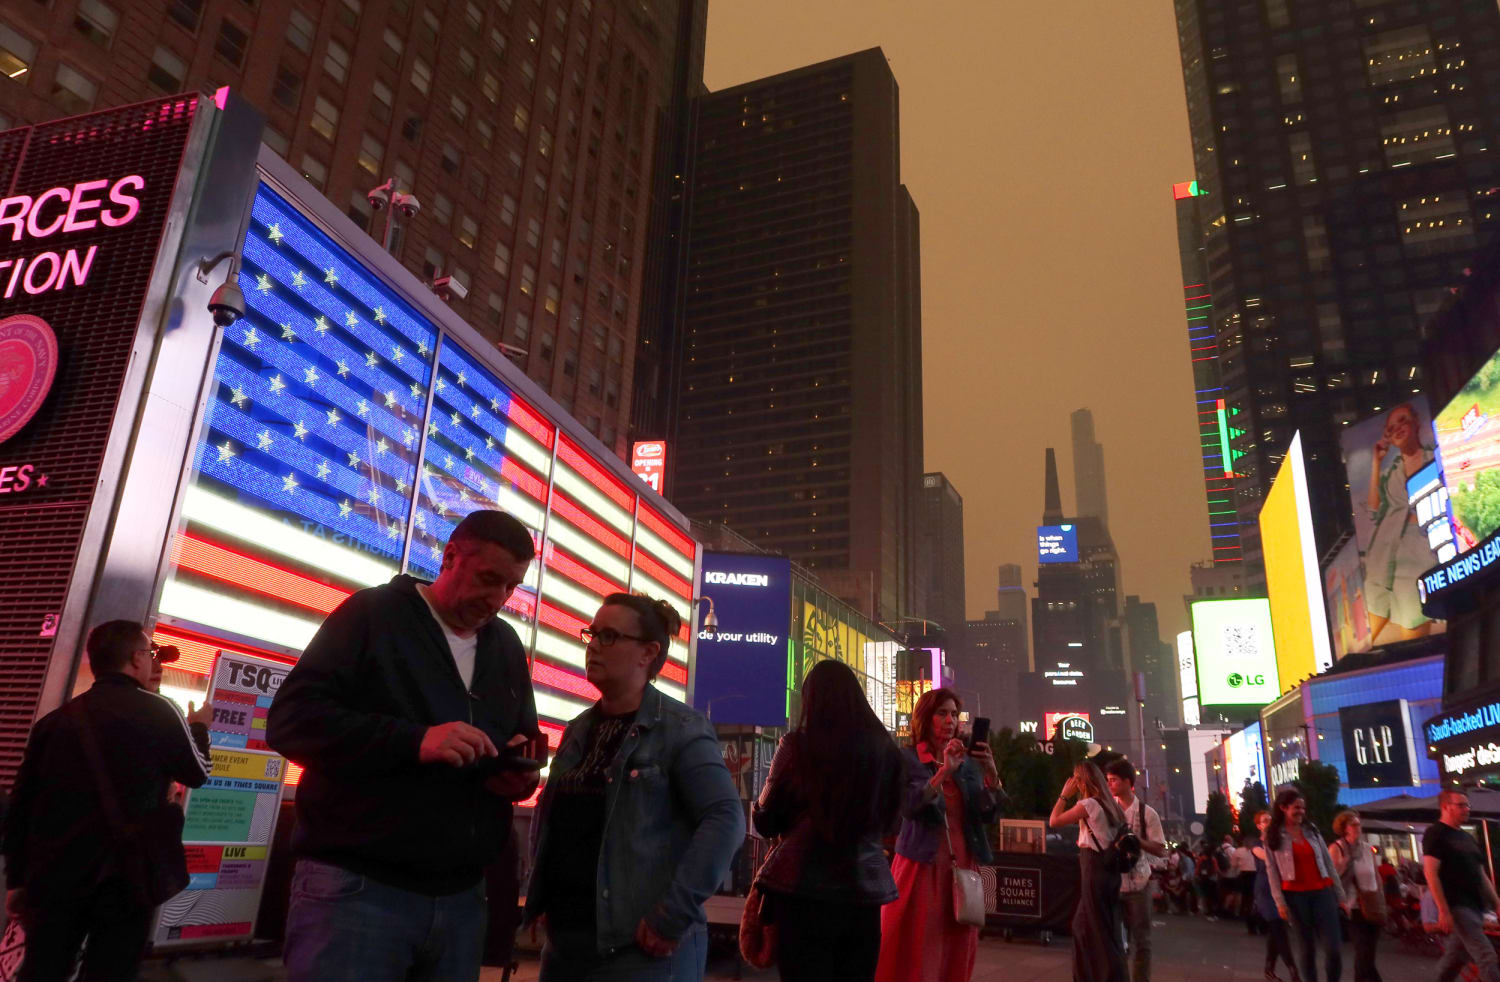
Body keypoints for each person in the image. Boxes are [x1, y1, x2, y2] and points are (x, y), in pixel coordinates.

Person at [266, 510, 543, 982]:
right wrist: (415, 741)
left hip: (462, 896)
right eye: (489, 579)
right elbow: (292, 721)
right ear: (450, 556)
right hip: (359, 889)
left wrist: (520, 774)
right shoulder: (373, 615)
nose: (497, 599)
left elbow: (523, 737)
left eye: (511, 587)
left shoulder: (506, 646)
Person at [526, 594, 744, 980]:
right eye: (592, 634)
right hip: (566, 945)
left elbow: (725, 818)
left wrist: (671, 916)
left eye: (609, 636)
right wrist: (541, 894)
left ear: (647, 653)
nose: (593, 645)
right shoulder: (579, 729)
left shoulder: (679, 728)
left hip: (639, 952)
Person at [2, 620, 214, 981]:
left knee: (44, 969)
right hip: (123, 878)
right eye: (148, 653)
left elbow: (23, 804)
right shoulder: (160, 711)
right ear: (135, 659)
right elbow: (198, 772)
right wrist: (199, 727)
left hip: (54, 875)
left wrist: (16, 879)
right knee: (111, 969)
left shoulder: (55, 721)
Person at [751, 660, 907, 982]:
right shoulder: (885, 751)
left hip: (801, 889)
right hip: (864, 891)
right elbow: (894, 823)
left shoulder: (796, 746)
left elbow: (766, 820)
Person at [875, 688, 1002, 982]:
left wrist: (992, 776)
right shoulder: (907, 758)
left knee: (955, 947)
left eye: (954, 715)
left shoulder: (967, 763)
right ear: (926, 718)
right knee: (918, 947)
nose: (950, 721)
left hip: (962, 868)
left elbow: (987, 815)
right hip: (922, 865)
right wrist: (943, 772)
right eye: (942, 713)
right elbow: (910, 807)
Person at [1363, 402, 1437, 644]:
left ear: (1416, 422)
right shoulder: (1390, 473)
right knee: (1367, 637)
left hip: (1420, 552)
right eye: (1391, 427)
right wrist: (1376, 462)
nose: (1397, 428)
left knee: (1413, 629)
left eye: (1403, 420)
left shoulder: (1435, 457)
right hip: (1383, 554)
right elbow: (1373, 511)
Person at [1050, 759, 1128, 982]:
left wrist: (1064, 794)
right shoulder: (1111, 804)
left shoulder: (1090, 804)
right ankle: (1088, 974)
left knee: (1095, 928)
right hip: (1108, 871)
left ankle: (1106, 976)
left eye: (1076, 779)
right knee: (1084, 926)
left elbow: (1054, 821)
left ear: (1082, 781)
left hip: (1094, 867)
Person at [1264, 789, 1347, 982]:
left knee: (1333, 949)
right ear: (1283, 808)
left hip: (1323, 893)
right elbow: (1272, 872)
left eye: (1303, 808)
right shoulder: (1274, 835)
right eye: (1296, 808)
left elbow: (1328, 864)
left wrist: (1341, 897)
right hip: (1295, 897)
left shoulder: (1312, 830)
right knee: (1307, 949)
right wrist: (1280, 903)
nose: (1301, 811)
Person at [1423, 789, 1500, 982]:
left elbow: (1480, 875)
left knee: (1456, 958)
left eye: (1468, 805)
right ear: (1445, 807)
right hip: (1457, 905)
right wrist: (1443, 909)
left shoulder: (1467, 838)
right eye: (1461, 805)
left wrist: (1497, 902)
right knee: (1486, 955)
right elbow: (1431, 872)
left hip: (1475, 905)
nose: (1467, 809)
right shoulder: (1436, 834)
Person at [1105, 759, 1165, 982]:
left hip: (1139, 883)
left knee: (1142, 941)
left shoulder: (1147, 813)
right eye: (1108, 780)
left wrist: (1136, 840)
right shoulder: (1107, 809)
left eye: (1114, 780)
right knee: (1114, 941)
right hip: (1113, 883)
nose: (1109, 784)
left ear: (1127, 782)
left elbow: (1160, 849)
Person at [1330, 810, 1383, 982]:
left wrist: (1382, 900)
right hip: (1352, 906)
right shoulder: (1337, 848)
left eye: (1359, 824)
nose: (1358, 827)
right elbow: (1331, 878)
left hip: (1372, 904)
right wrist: (1345, 863)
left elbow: (1376, 875)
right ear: (1344, 828)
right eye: (1354, 824)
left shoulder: (1367, 849)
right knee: (1363, 950)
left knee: (1370, 952)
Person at [1250, 809, 1300, 982]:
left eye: (1270, 819)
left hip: (1280, 888)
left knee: (1276, 930)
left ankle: (1269, 969)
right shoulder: (1257, 845)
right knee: (1278, 926)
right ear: (1259, 825)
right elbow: (1270, 858)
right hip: (1265, 889)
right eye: (1265, 820)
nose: (1269, 822)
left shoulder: (1280, 841)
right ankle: (1294, 971)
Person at [1234, 832, 1260, 932]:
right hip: (1256, 874)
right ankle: (1255, 915)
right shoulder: (1258, 850)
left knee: (1242, 895)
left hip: (1243, 874)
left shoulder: (1238, 851)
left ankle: (1241, 912)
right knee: (1254, 897)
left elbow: (1233, 864)